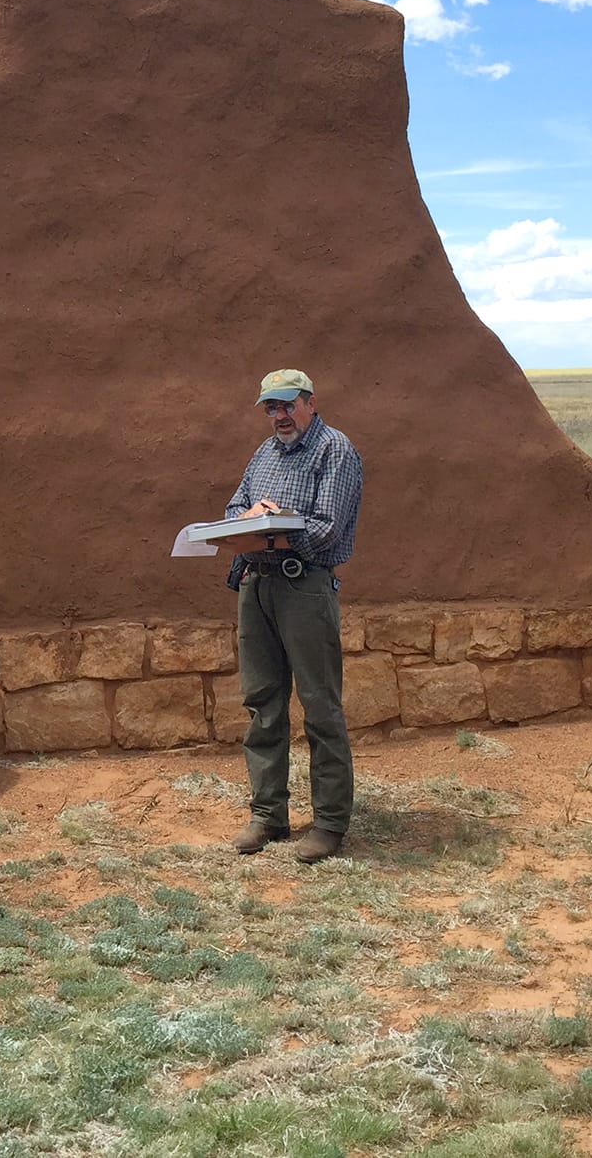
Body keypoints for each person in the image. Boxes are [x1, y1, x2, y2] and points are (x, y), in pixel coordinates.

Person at [218, 368, 365, 863]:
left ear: (310, 402)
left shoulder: (334, 450)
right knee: (262, 703)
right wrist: (250, 515)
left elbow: (326, 529)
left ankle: (328, 824)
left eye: (287, 405)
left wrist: (273, 526)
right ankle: (268, 815)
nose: (278, 416)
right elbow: (235, 504)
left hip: (303, 585)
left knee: (320, 706)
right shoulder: (264, 453)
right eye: (271, 408)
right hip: (257, 586)